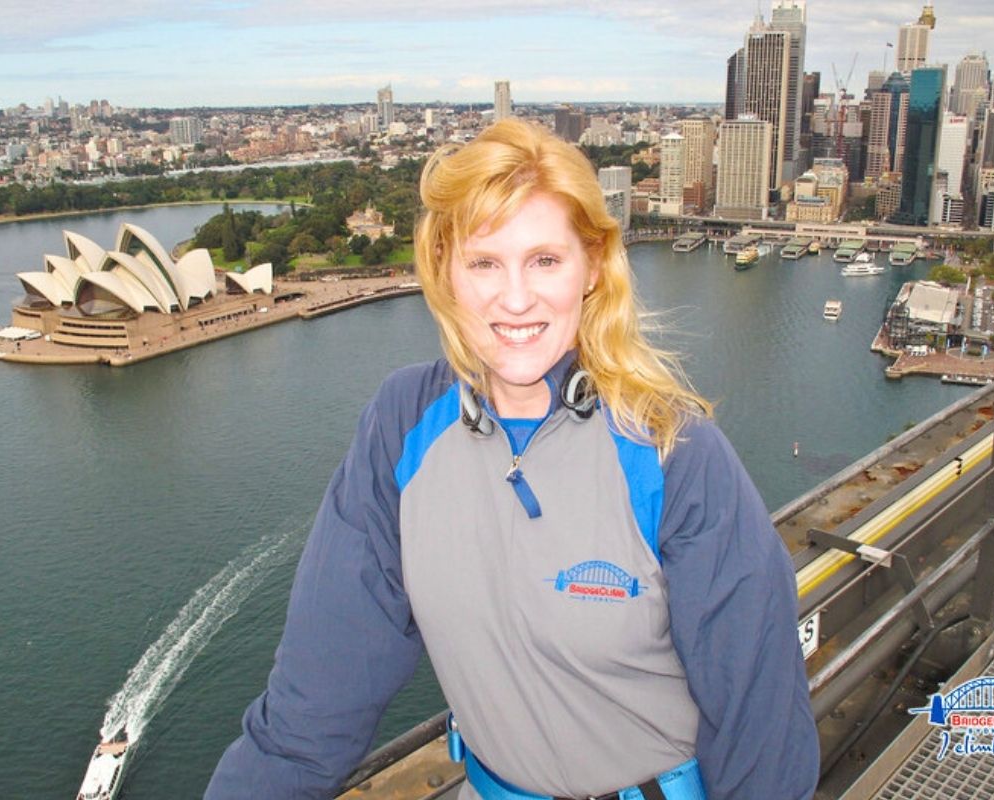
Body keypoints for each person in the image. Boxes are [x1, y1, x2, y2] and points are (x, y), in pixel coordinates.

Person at [206, 119, 819, 800]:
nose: (517, 298)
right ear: (445, 271)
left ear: (591, 269)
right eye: (485, 262)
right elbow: (311, 707)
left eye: (546, 261)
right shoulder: (402, 426)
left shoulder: (672, 451)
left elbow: (760, 720)